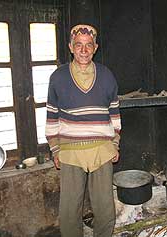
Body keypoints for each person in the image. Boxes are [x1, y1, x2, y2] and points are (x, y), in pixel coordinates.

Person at [45, 24, 121, 237]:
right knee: (69, 211)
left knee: (105, 209)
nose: (84, 50)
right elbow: (52, 116)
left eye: (89, 45)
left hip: (102, 150)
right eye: (79, 45)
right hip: (70, 152)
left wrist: (115, 144)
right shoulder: (58, 77)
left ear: (95, 47)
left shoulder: (107, 76)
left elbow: (114, 115)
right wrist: (55, 149)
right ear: (71, 47)